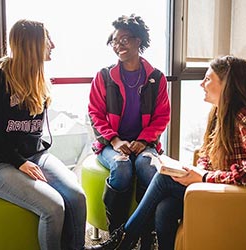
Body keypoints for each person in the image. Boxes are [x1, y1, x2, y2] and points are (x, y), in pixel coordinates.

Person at [90, 55, 246, 250]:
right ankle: (127, 240)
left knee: (162, 179)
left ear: (227, 84)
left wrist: (205, 177)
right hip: (221, 189)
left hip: (238, 198)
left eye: (208, 79)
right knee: (165, 207)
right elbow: (208, 156)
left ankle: (123, 240)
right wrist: (193, 173)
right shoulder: (220, 114)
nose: (201, 84)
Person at [0, 19, 87, 250]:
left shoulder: (39, 78)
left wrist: (31, 157)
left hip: (33, 157)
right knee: (53, 207)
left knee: (77, 196)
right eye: (48, 40)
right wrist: (19, 162)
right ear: (32, 44)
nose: (52, 45)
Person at [88, 14, 170, 248]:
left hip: (146, 144)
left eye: (124, 39)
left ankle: (147, 233)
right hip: (111, 144)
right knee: (122, 166)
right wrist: (113, 140)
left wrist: (144, 141)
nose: (119, 45)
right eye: (115, 41)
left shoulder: (156, 78)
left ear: (138, 41)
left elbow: (162, 116)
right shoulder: (104, 77)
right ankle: (118, 234)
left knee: (147, 167)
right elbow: (94, 113)